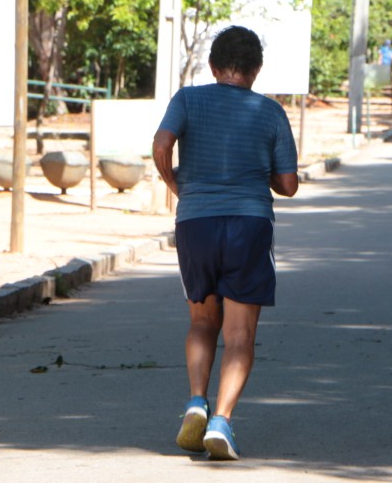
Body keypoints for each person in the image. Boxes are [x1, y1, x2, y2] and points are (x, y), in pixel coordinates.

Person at [152, 25, 299, 461]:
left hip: (195, 223)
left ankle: (196, 401)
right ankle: (221, 422)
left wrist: (175, 182)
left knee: (201, 323)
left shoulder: (187, 100)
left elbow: (162, 143)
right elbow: (288, 184)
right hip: (248, 225)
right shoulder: (270, 112)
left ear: (213, 66)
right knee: (239, 335)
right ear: (255, 70)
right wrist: (262, 173)